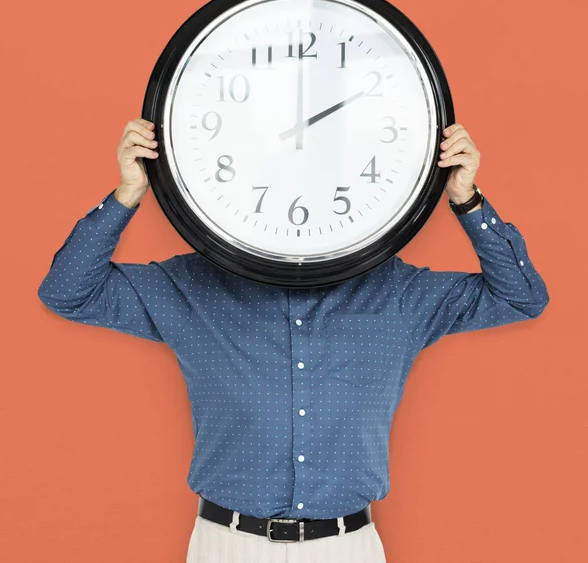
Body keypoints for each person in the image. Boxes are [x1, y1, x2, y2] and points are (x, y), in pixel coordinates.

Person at [37, 118, 549, 563]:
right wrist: (128, 191)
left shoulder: (399, 294)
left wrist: (467, 198)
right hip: (225, 543)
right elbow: (67, 292)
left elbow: (523, 296)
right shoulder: (193, 287)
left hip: (346, 545)